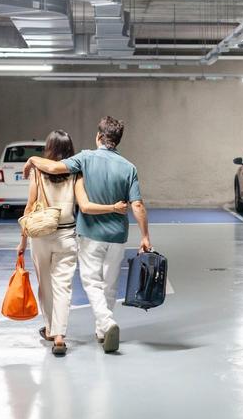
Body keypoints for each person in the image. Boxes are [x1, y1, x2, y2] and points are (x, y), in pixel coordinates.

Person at [23, 117, 150, 353]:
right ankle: (102, 331)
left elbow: (52, 168)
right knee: (109, 284)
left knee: (91, 282)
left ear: (99, 137)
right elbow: (138, 205)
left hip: (89, 233)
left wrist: (31, 159)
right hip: (117, 236)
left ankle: (105, 322)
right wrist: (145, 236)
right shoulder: (128, 167)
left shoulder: (85, 159)